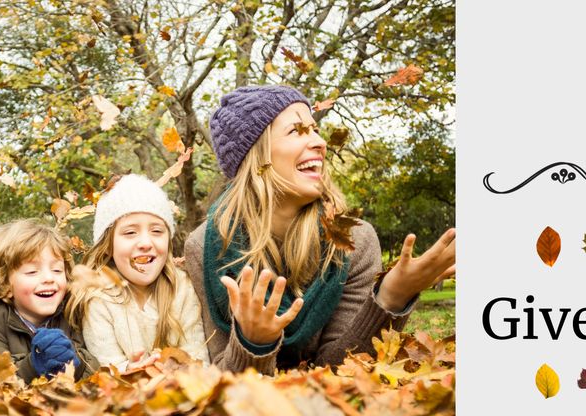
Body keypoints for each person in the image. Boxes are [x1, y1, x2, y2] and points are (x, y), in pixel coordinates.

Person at [184, 85, 455, 374]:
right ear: (255, 157)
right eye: (297, 131)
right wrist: (253, 344)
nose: (320, 142)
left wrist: (393, 295)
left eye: (314, 129)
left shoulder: (354, 240)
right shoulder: (206, 248)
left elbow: (342, 370)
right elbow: (221, 384)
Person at [69, 174, 209, 370]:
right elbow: (105, 370)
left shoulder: (183, 289)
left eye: (157, 231)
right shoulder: (98, 299)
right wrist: (130, 372)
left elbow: (199, 362)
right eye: (130, 233)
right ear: (108, 245)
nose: (145, 243)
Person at [0, 219, 98, 382]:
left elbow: (98, 367)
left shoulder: (72, 311)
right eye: (32, 272)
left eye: (57, 270)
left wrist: (74, 364)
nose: (49, 278)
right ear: (6, 284)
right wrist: (33, 366)